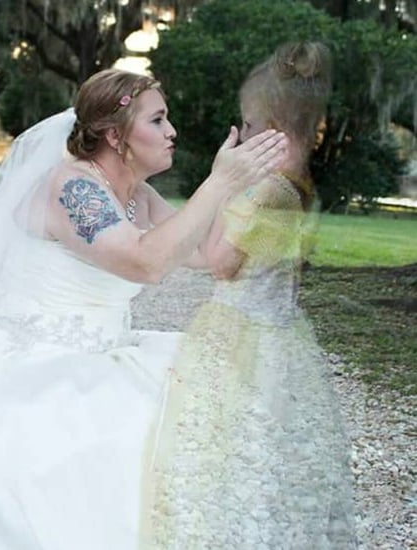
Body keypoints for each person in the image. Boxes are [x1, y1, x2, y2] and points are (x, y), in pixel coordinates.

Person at [0, 69, 287, 549]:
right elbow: (145, 263)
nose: (172, 132)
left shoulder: (139, 196)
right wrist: (215, 184)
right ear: (115, 134)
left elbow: (212, 257)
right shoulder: (74, 187)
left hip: (108, 348)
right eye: (158, 119)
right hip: (40, 356)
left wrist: (242, 187)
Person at [142, 43, 356, 549]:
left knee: (230, 442)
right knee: (264, 440)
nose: (245, 136)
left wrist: (223, 184)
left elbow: (221, 262)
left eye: (251, 126)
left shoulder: (269, 191)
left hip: (242, 332)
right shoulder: (294, 182)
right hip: (277, 330)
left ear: (277, 126)